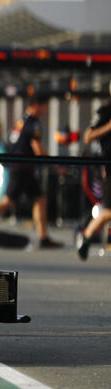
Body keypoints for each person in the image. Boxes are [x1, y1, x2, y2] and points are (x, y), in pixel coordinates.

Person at [0, 95, 62, 249]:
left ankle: (43, 237)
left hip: (20, 168)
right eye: (45, 106)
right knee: (8, 201)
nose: (46, 110)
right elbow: (37, 147)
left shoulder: (20, 122)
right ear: (37, 105)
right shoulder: (33, 123)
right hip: (23, 169)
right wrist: (55, 165)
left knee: (40, 199)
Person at [76, 85, 111, 260]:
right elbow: (88, 136)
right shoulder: (105, 111)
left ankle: (87, 235)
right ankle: (87, 235)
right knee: (109, 211)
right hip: (108, 168)